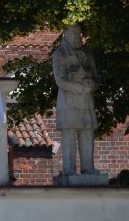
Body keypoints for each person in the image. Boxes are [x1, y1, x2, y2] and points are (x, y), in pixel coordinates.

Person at [52, 24, 100, 176]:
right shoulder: (60, 53)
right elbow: (60, 80)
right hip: (69, 100)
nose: (77, 36)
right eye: (73, 32)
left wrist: (92, 85)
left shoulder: (87, 53)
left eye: (79, 33)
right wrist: (80, 87)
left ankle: (88, 168)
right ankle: (69, 169)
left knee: (87, 131)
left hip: (86, 100)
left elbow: (96, 78)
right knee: (69, 134)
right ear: (65, 33)